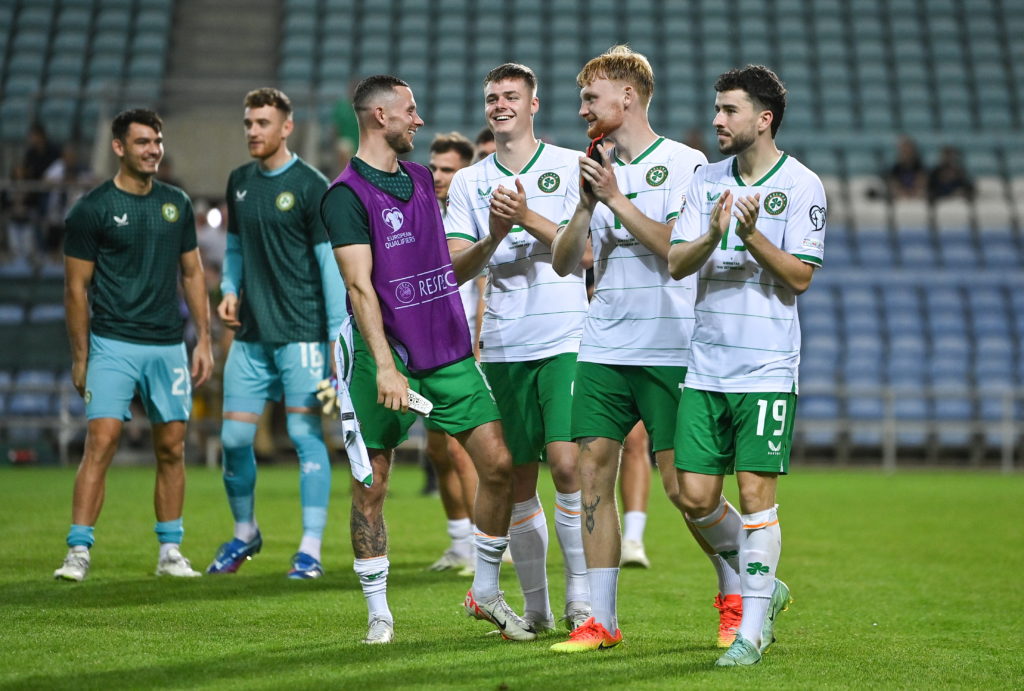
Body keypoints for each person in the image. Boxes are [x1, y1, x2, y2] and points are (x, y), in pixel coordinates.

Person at [321, 75, 534, 645]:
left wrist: (490, 240)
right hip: (382, 359)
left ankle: (485, 592)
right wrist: (386, 366)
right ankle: (378, 612)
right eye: (409, 112)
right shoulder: (344, 196)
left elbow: (449, 271)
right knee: (372, 485)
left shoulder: (420, 179)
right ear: (378, 116)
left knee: (499, 465)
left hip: (446, 351)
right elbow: (360, 289)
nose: (418, 120)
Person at [548, 45, 712, 653]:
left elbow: (678, 250)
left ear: (628, 96)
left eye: (591, 97)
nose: (584, 108)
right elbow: (567, 263)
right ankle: (602, 621)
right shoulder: (590, 169)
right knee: (592, 476)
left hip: (669, 346)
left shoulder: (686, 162)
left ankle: (736, 590)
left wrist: (615, 198)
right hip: (603, 342)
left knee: (684, 492)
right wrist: (585, 207)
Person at [667, 64, 823, 667]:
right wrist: (712, 234)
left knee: (756, 494)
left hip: (765, 367)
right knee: (693, 495)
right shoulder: (705, 179)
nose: (717, 120)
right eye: (716, 109)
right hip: (706, 365)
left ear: (764, 119)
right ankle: (766, 585)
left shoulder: (803, 184)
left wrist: (753, 237)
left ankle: (751, 629)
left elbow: (801, 277)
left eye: (729, 110)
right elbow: (679, 263)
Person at [446, 63, 592, 632]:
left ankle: (581, 599)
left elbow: (579, 253)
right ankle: (538, 608)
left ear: (534, 104)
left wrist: (524, 218)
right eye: (492, 98)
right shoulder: (469, 182)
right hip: (505, 344)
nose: (500, 104)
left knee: (566, 463)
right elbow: (456, 267)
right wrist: (495, 236)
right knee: (521, 479)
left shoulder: (565, 166)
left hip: (566, 337)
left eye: (511, 96)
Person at [54, 108, 214, 581]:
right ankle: (78, 551)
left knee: (173, 447)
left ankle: (170, 550)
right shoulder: (91, 209)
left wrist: (203, 340)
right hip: (112, 343)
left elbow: (192, 272)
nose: (152, 150)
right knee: (100, 442)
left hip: (168, 346)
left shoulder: (177, 203)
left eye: (157, 141)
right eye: (142, 142)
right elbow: (74, 289)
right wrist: (81, 356)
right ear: (119, 147)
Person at [205, 88, 345, 580]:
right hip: (251, 335)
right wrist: (227, 287)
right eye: (248, 123)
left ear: (287, 128)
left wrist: (334, 336)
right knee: (234, 438)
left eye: (263, 123)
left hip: (303, 333)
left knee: (306, 435)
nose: (253, 132)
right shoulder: (239, 181)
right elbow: (237, 248)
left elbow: (329, 264)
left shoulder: (311, 185)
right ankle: (245, 532)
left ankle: (309, 550)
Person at [424, 131, 481, 573]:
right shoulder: (421, 214)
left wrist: (477, 340)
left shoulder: (470, 211)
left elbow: (482, 280)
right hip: (427, 345)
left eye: (448, 169)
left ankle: (483, 546)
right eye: (435, 168)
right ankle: (459, 542)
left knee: (463, 449)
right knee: (438, 450)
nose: (438, 176)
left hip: (463, 344)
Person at [887, 135, 926, 200]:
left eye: (908, 150)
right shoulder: (896, 168)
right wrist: (902, 192)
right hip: (901, 197)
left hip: (916, 197)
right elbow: (893, 184)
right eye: (904, 150)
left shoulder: (919, 166)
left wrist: (913, 192)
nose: (906, 152)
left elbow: (922, 182)